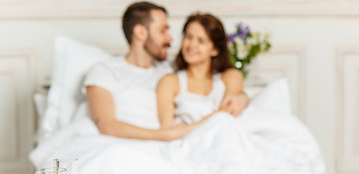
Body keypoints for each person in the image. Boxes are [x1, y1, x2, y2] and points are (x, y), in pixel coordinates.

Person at [84, 1, 249, 141]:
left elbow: (206, 78)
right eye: (163, 31)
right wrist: (165, 135)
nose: (171, 38)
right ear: (140, 32)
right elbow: (107, 125)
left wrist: (242, 97)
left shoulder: (169, 69)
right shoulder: (105, 71)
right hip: (137, 143)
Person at [157, 13, 245, 129]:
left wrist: (188, 129)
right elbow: (166, 129)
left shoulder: (231, 76)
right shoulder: (169, 81)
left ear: (215, 50)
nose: (192, 45)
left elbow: (227, 115)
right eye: (188, 37)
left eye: (201, 41)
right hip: (187, 144)